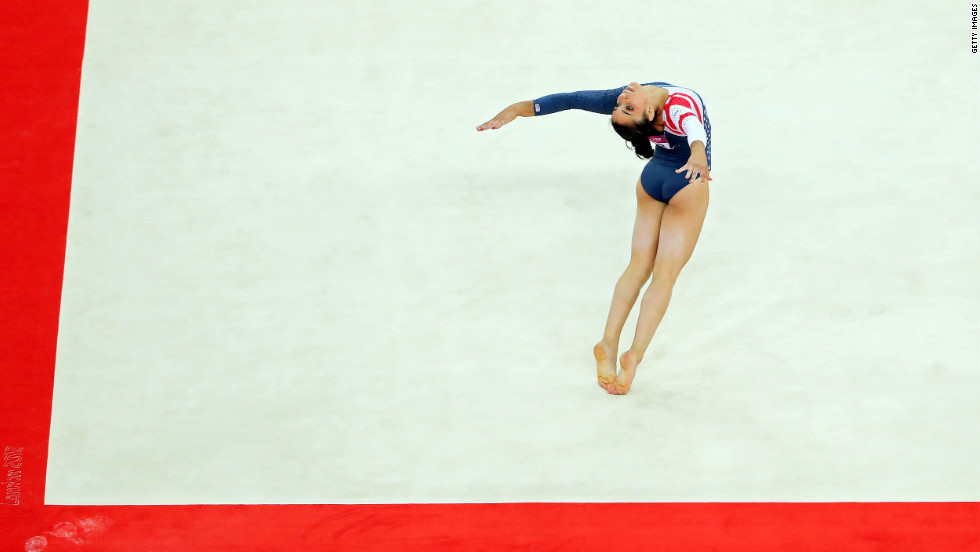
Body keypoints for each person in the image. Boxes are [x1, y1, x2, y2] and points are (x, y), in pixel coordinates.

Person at [476, 81, 712, 395]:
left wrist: (523, 108)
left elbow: (573, 99)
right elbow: (693, 128)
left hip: (652, 179)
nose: (621, 101)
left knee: (638, 266)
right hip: (687, 182)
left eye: (621, 107)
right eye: (624, 108)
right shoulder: (678, 107)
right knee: (664, 275)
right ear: (652, 112)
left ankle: (607, 343)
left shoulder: (632, 96)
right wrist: (697, 153)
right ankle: (634, 355)